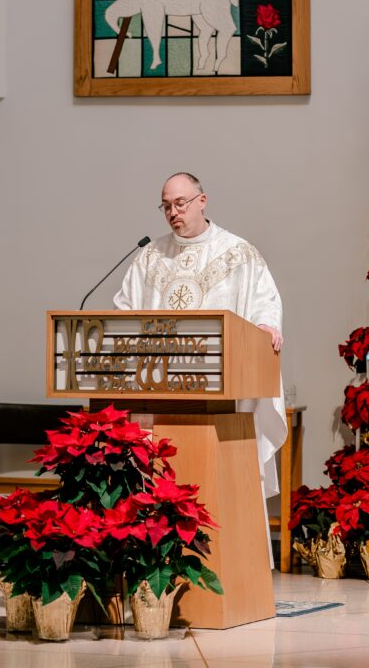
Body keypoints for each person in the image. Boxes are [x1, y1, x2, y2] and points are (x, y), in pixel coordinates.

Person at [113, 171, 287, 506]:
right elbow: (124, 311)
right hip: (159, 396)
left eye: (180, 203)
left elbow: (264, 301)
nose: (173, 213)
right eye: (166, 206)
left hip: (223, 396)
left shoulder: (238, 253)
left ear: (201, 201)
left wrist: (265, 326)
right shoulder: (150, 256)